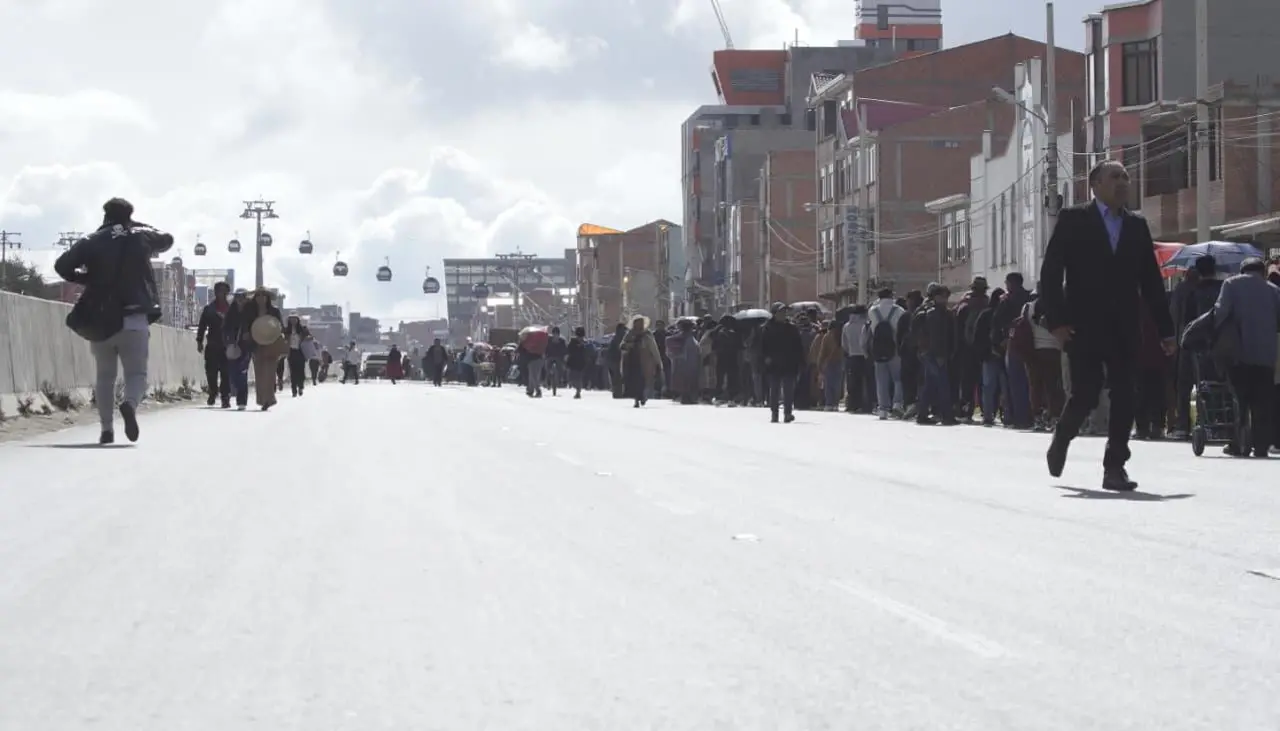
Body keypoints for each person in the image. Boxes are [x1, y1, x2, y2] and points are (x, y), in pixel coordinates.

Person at [1037, 159, 1174, 491]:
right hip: (1082, 326)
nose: (1123, 182)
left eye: (1126, 177)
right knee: (1085, 393)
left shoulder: (1137, 226)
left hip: (1125, 325)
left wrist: (1166, 330)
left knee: (1125, 393)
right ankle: (1062, 438)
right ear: (1095, 184)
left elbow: (1151, 282)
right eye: (1115, 177)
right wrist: (1055, 321)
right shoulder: (1073, 220)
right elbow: (1051, 274)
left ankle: (1115, 467)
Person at [54, 197, 173, 443]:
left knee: (105, 376)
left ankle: (106, 430)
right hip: (134, 316)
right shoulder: (141, 234)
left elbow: (62, 265)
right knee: (136, 373)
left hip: (102, 318)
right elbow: (167, 239)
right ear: (130, 215)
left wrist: (87, 278)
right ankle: (129, 404)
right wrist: (135, 225)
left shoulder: (92, 240)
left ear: (105, 214)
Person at [1207, 257, 1280, 457]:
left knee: (1238, 399)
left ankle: (1239, 443)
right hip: (1266, 355)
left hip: (1238, 353)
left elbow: (1220, 313)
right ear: (1263, 271)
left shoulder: (1231, 284)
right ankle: (1261, 445)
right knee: (1262, 402)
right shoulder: (1273, 290)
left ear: (1242, 270)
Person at [759, 302, 805, 423]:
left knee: (788, 390)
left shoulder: (791, 328)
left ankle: (788, 413)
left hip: (789, 364)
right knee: (774, 390)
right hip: (774, 364)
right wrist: (765, 358)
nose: (783, 314)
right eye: (780, 312)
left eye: (784, 312)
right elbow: (762, 347)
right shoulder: (767, 328)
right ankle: (774, 413)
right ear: (774, 314)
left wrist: (800, 361)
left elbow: (798, 346)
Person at [196, 281, 233, 408]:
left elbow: (237, 326)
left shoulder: (231, 310)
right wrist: (199, 341)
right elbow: (202, 326)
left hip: (227, 346)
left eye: (223, 291)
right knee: (211, 372)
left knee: (226, 373)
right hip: (212, 344)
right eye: (218, 291)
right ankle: (213, 392)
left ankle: (225, 397)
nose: (220, 294)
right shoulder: (209, 309)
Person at [620, 316, 662, 407]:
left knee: (645, 381)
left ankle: (643, 396)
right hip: (632, 361)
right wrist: (629, 345)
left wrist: (658, 362)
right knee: (634, 381)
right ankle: (636, 398)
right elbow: (622, 346)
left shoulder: (647, 334)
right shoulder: (630, 334)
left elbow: (654, 348)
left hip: (645, 362)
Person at [283, 315, 310, 396]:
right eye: (291, 319)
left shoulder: (302, 329)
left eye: (295, 319)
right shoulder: (286, 330)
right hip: (291, 352)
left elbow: (310, 337)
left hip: (301, 352)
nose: (293, 321)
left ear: (298, 320)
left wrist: (307, 338)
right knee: (293, 371)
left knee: (301, 370)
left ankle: (300, 386)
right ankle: (294, 389)